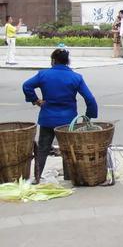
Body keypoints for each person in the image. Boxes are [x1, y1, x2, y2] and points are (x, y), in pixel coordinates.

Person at [22, 48, 98, 183]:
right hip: (67, 121)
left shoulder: (43, 75)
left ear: (53, 61)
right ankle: (68, 176)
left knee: (43, 148)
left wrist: (36, 100)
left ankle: (37, 177)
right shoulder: (76, 77)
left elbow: (26, 85)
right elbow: (90, 99)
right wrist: (89, 116)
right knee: (68, 149)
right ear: (68, 61)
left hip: (47, 118)